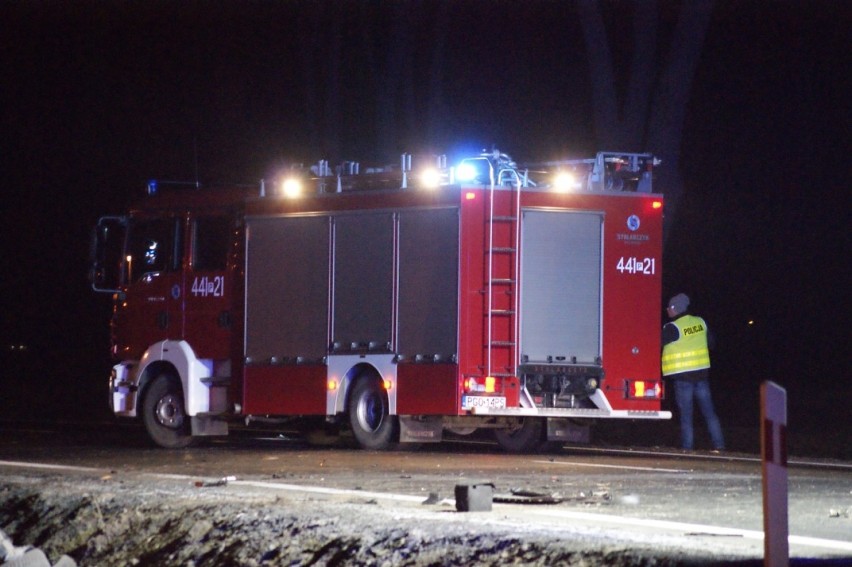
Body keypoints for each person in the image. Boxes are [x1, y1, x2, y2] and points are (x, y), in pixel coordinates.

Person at [661, 293, 725, 451]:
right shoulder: (700, 322)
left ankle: (687, 448)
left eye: (668, 307)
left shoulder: (672, 328)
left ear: (674, 309)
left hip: (683, 379)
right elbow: (711, 343)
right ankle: (719, 446)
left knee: (686, 416)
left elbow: (655, 343)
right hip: (702, 377)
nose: (667, 310)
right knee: (709, 413)